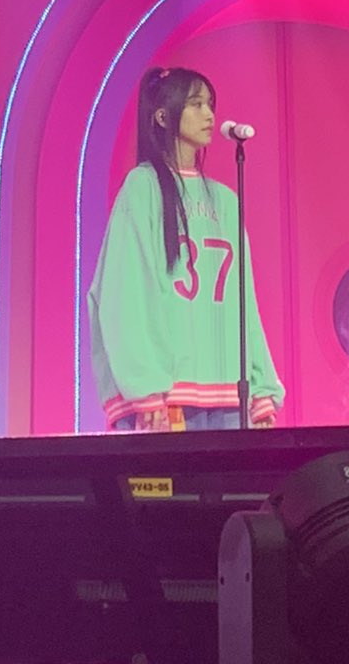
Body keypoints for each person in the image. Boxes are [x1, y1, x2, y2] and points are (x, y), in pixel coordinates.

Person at [88, 64, 284, 431]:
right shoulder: (143, 188)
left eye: (210, 104)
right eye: (195, 104)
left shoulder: (226, 200)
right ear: (163, 116)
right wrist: (144, 386)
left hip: (228, 394)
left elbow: (244, 303)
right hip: (168, 395)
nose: (209, 114)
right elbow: (124, 292)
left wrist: (260, 390)